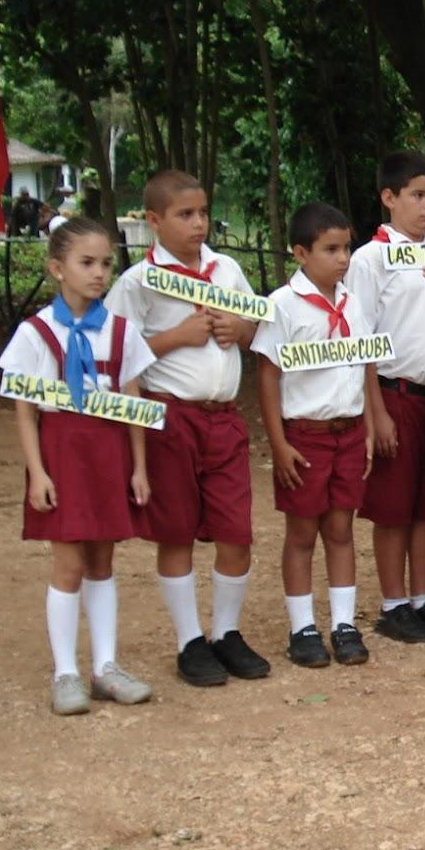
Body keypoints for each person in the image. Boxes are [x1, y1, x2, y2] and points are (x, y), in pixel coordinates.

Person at [106, 169, 270, 686]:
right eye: (184, 215)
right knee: (175, 530)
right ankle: (188, 640)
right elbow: (114, 357)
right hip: (168, 419)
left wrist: (237, 328)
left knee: (235, 531)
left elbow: (256, 328)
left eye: (202, 212)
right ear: (154, 221)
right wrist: (176, 336)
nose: (198, 223)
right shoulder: (138, 283)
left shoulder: (226, 269)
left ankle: (226, 632)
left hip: (223, 419)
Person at [0, 219, 155, 714]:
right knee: (68, 562)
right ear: (56, 268)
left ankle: (105, 667)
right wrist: (37, 472)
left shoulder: (121, 331)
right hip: (62, 452)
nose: (99, 273)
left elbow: (134, 403)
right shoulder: (36, 332)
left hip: (108, 453)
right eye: (86, 263)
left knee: (103, 561)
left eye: (106, 263)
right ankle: (66, 672)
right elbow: (24, 409)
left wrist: (139, 468)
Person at [348, 151, 425, 646]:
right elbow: (360, 338)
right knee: (394, 505)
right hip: (394, 393)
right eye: (417, 196)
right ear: (389, 198)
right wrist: (375, 413)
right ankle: (394, 603)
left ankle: (423, 598)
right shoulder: (371, 258)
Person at [251, 202, 372, 668]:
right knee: (302, 531)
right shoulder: (282, 305)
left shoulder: (353, 302)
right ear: (301, 253)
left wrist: (367, 427)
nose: (342, 258)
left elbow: (363, 363)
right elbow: (267, 375)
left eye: (346, 248)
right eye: (331, 249)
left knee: (341, 529)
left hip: (348, 429)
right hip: (305, 434)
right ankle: (302, 627)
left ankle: (343, 624)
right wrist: (279, 443)